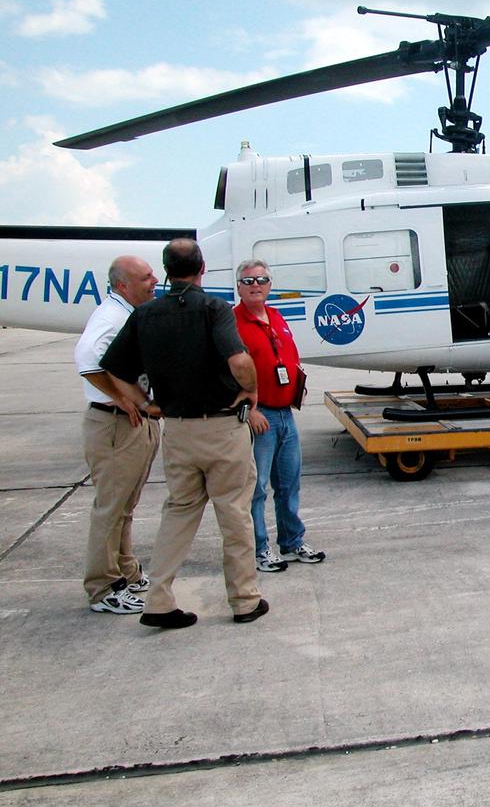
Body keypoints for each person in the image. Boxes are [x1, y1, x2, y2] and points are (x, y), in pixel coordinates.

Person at [100, 238, 267, 629]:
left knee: (178, 512)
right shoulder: (214, 309)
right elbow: (239, 359)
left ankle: (158, 599)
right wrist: (250, 390)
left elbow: (114, 369)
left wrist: (144, 404)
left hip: (177, 431)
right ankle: (244, 600)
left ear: (166, 271)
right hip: (223, 429)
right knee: (233, 513)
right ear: (202, 268)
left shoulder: (146, 314)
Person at [74, 256, 160, 615]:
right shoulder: (111, 317)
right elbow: (87, 359)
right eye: (146, 277)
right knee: (111, 508)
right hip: (114, 425)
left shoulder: (128, 313)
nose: (155, 280)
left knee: (126, 505)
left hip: (134, 423)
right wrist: (122, 398)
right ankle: (103, 586)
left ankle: (126, 570)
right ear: (123, 285)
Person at [234, 259, 325, 569]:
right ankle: (259, 548)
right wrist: (250, 410)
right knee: (257, 487)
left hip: (286, 414)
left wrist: (296, 386)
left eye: (261, 280)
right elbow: (228, 373)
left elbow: (289, 355)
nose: (255, 285)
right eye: (248, 281)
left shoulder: (276, 317)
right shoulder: (233, 323)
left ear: (270, 285)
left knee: (289, 483)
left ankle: (292, 541)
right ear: (239, 288)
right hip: (261, 418)